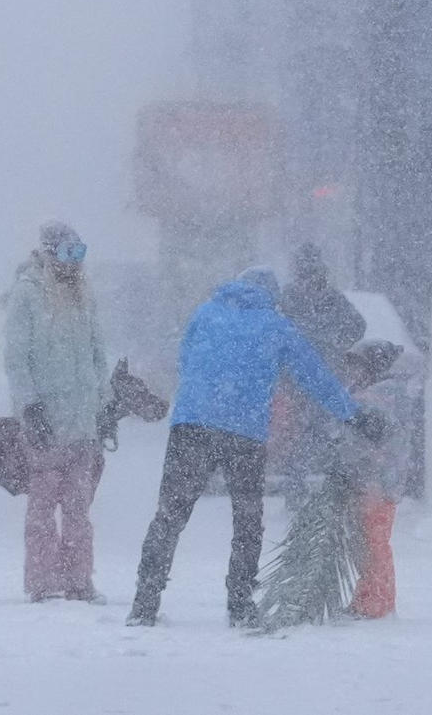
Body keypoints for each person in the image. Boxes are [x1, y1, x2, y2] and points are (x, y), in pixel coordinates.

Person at [127, 266, 385, 629]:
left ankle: (144, 603)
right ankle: (240, 603)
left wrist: (206, 396)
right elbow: (315, 377)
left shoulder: (205, 312)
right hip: (244, 432)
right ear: (271, 297)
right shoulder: (276, 326)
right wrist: (354, 416)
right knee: (247, 521)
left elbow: (184, 361)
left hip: (191, 425)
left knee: (169, 516)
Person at [4, 221, 111, 604]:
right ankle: (43, 581)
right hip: (46, 419)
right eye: (69, 253)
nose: (75, 263)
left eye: (80, 253)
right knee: (43, 507)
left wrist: (104, 403)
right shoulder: (28, 295)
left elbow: (98, 353)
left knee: (79, 507)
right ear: (50, 254)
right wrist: (29, 405)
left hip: (82, 421)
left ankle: (79, 580)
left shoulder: (84, 294)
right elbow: (16, 359)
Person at [278, 243, 367, 509]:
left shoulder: (289, 297)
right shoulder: (330, 297)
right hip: (324, 374)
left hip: (295, 376)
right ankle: (329, 490)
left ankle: (297, 491)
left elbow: (278, 329)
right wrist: (334, 343)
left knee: (298, 432)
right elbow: (357, 326)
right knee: (323, 431)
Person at [337, 340, 411, 620]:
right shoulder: (374, 396)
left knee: (374, 543)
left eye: (358, 367)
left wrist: (363, 474)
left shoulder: (377, 400)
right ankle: (368, 596)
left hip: (376, 484)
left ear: (374, 368)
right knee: (366, 542)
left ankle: (377, 601)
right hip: (371, 481)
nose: (352, 373)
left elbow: (371, 445)